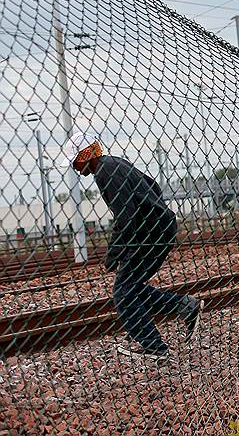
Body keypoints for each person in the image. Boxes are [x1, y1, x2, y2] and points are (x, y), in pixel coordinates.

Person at [63, 133, 202, 359]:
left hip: (147, 234)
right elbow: (152, 186)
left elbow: (125, 217)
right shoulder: (115, 163)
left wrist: (113, 255)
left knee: (123, 293)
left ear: (85, 155)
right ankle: (184, 305)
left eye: (75, 161)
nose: (75, 168)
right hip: (157, 229)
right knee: (131, 287)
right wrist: (154, 211)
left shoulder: (104, 171)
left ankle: (154, 347)